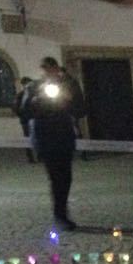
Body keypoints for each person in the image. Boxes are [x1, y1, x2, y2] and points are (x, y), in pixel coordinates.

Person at [21, 56, 85, 230]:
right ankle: (60, 215)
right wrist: (36, 101)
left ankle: (62, 212)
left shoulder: (68, 85)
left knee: (66, 177)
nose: (48, 72)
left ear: (57, 69)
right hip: (45, 138)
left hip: (64, 136)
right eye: (45, 69)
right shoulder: (33, 87)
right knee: (56, 177)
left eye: (51, 68)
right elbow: (24, 112)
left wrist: (68, 99)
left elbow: (80, 110)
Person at [13, 77, 35, 163]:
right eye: (24, 84)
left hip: (34, 118)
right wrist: (19, 113)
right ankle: (30, 157)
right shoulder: (20, 94)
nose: (26, 86)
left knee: (36, 137)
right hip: (25, 119)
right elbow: (16, 105)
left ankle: (40, 155)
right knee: (27, 138)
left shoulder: (35, 94)